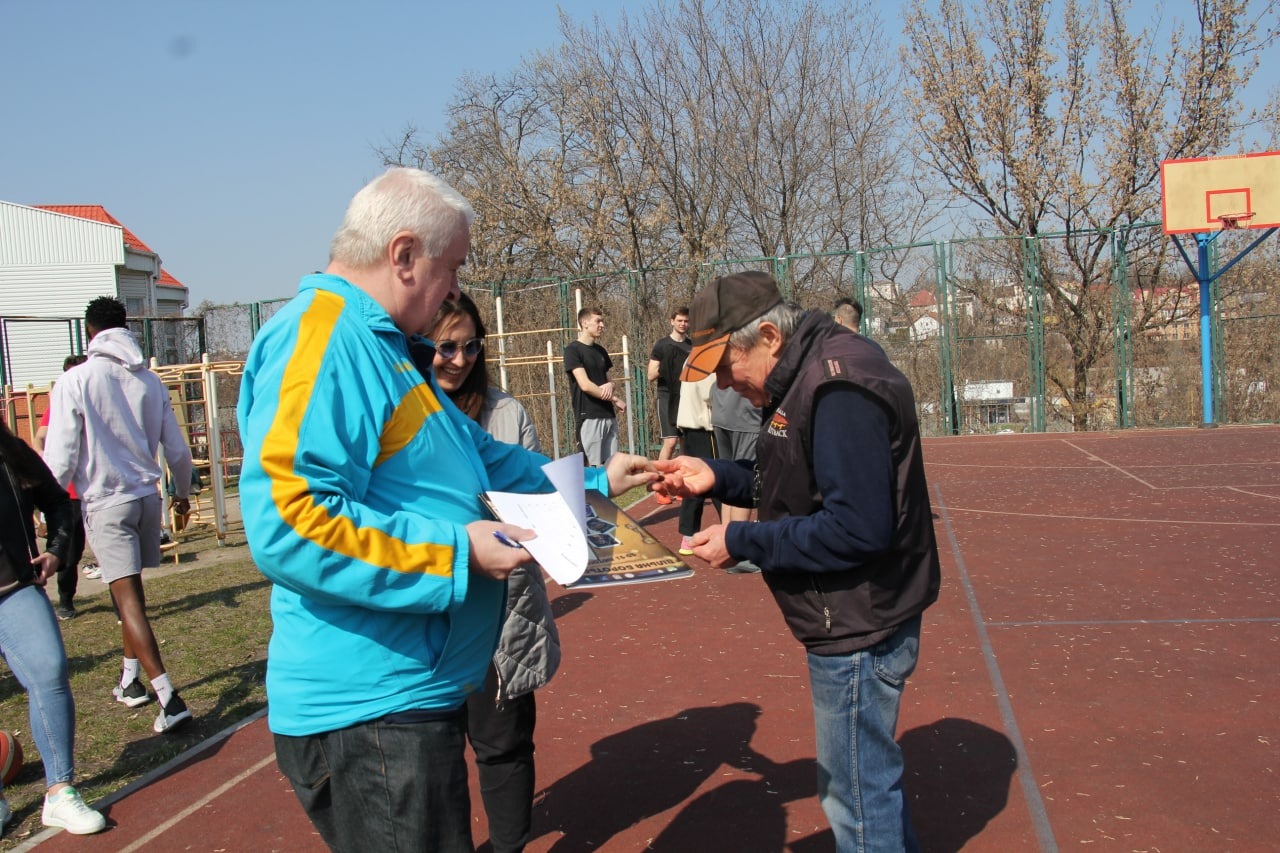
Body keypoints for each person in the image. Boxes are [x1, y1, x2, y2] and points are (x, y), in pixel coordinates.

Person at [236, 167, 655, 853]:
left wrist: (595, 479)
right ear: (403, 254)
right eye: (451, 266)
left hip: (407, 697)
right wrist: (457, 554)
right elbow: (288, 522)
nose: (456, 289)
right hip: (372, 707)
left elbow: (483, 459)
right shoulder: (323, 339)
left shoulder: (385, 349)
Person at [654, 270, 941, 852]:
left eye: (726, 368)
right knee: (865, 785)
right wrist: (718, 476)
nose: (725, 386)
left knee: (856, 796)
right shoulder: (805, 375)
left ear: (769, 337)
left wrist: (743, 541)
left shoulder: (837, 387)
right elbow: (790, 475)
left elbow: (855, 529)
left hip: (860, 621)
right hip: (853, 614)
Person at [427, 294, 555, 853]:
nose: (459, 360)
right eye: (445, 347)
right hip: (432, 607)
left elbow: (537, 492)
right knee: (432, 756)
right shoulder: (402, 414)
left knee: (502, 743)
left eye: (470, 346)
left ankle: (509, 846)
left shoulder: (506, 414)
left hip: (503, 610)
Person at [42, 297, 195, 735]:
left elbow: (61, 455)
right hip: (147, 500)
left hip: (107, 501)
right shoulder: (149, 381)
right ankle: (130, 680)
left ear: (90, 332)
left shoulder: (75, 380)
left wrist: (48, 508)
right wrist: (182, 494)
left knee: (127, 601)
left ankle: (169, 697)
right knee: (131, 594)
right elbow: (178, 450)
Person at [0, 421, 107, 836]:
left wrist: (57, 550)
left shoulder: (12, 452)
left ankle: (60, 792)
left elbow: (59, 503)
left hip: (13, 590)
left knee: (49, 670)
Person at [34, 353, 89, 620]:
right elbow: (40, 438)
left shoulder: (99, 401)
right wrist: (47, 464)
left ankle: (123, 605)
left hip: (98, 488)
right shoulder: (58, 404)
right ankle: (66, 601)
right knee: (70, 550)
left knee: (111, 549)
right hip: (70, 493)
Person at [564, 307, 625, 466]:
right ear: (585, 323)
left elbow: (610, 381)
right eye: (598, 321)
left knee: (612, 468)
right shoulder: (572, 350)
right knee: (593, 469)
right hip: (589, 417)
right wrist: (614, 399)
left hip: (608, 416)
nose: (602, 325)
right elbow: (585, 385)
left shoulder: (601, 351)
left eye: (602, 321)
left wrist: (611, 385)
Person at [710, 384, 761, 573]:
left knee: (729, 477)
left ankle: (727, 544)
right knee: (744, 477)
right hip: (745, 416)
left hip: (722, 410)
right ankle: (738, 551)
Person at [673, 373, 719, 556]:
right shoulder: (706, 364)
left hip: (690, 426)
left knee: (692, 482)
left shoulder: (690, 361)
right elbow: (711, 394)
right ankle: (732, 529)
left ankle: (688, 535)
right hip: (704, 428)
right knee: (717, 478)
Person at [647, 307, 691, 489]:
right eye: (679, 320)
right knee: (670, 442)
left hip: (686, 398)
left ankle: (681, 484)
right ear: (672, 321)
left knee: (686, 444)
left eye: (686, 321)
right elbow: (650, 375)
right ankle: (657, 484)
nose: (683, 324)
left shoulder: (692, 346)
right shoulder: (662, 345)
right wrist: (667, 365)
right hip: (667, 397)